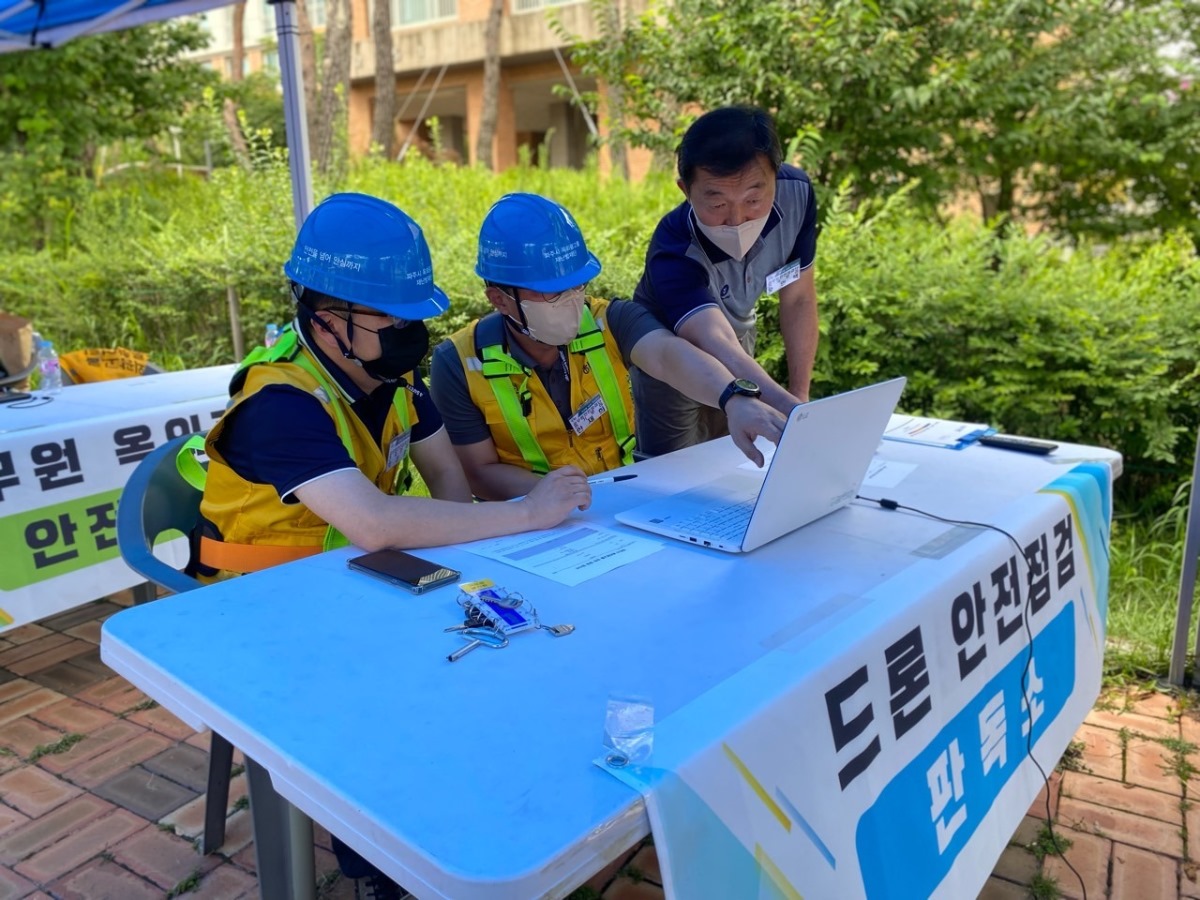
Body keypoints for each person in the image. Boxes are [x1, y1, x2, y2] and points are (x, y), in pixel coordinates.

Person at [193, 192, 589, 898]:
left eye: (415, 317)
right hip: (259, 607)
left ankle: (477, 808)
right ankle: (378, 866)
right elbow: (375, 522)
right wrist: (528, 512)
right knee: (384, 692)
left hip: (353, 581)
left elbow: (448, 487)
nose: (411, 333)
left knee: (492, 636)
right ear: (327, 318)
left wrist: (482, 560)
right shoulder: (280, 403)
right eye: (392, 319)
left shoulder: (391, 379)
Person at [429, 192, 786, 501]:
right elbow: (478, 472)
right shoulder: (458, 362)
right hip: (527, 522)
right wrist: (559, 496)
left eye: (577, 285)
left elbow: (667, 355)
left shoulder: (610, 320)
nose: (572, 300)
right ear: (500, 299)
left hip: (620, 504)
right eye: (553, 292)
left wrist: (732, 397)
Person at [630, 105, 819, 456]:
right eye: (717, 204)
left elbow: (798, 298)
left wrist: (800, 396)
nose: (737, 219)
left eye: (754, 199)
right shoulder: (674, 246)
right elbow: (714, 340)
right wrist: (792, 412)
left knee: (733, 458)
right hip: (672, 357)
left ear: (776, 176)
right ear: (686, 189)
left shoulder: (797, 196)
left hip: (738, 339)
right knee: (674, 467)